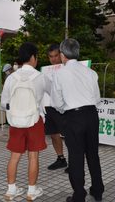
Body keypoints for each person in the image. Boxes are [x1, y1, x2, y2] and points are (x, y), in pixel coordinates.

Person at [51, 39, 104, 202]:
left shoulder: (59, 74)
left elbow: (57, 103)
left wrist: (66, 110)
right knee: (93, 154)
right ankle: (97, 190)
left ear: (62, 55)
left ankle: (79, 195)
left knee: (76, 156)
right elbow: (97, 98)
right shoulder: (90, 72)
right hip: (91, 115)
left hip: (73, 117)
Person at [0, 42, 49, 201]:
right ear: (33, 57)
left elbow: (3, 103)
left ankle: (11, 190)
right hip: (34, 121)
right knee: (33, 157)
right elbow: (51, 97)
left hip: (15, 122)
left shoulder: (11, 78)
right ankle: (31, 191)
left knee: (14, 156)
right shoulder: (40, 77)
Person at [43, 44, 68, 172]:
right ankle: (61, 158)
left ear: (61, 54)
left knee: (70, 135)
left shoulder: (68, 69)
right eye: (50, 56)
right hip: (49, 106)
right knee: (53, 134)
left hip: (64, 106)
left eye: (56, 55)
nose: (53, 59)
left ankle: (75, 161)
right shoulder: (46, 71)